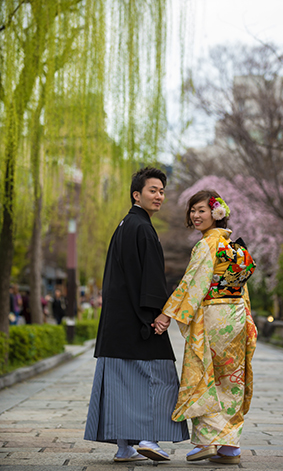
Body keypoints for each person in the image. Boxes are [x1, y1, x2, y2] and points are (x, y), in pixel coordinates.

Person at [84, 166, 189, 462]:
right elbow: (150, 278)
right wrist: (156, 315)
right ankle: (149, 438)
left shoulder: (124, 226)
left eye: (161, 191)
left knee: (120, 383)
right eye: (153, 190)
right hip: (140, 320)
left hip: (117, 323)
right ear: (136, 195)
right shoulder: (143, 228)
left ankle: (124, 446)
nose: (159, 196)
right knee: (160, 378)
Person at [156, 190, 257, 465]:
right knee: (232, 379)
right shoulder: (232, 246)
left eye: (201, 210)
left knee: (208, 376)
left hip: (213, 316)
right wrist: (247, 321)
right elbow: (243, 290)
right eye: (193, 210)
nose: (196, 215)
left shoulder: (207, 245)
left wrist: (167, 314)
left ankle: (209, 442)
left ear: (216, 213)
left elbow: (193, 284)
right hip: (235, 316)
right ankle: (230, 448)